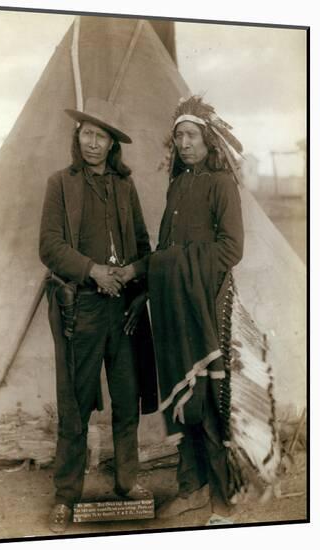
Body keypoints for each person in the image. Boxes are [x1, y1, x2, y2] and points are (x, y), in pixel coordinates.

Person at [39, 97, 157, 533]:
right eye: (86, 133)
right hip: (82, 310)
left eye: (101, 136)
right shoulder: (60, 184)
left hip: (122, 312)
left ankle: (127, 483)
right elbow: (50, 246)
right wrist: (93, 271)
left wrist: (129, 273)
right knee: (74, 406)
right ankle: (66, 496)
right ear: (78, 137)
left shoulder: (125, 187)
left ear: (111, 145)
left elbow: (144, 250)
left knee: (127, 402)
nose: (92, 142)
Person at [149, 96, 244, 519]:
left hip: (205, 301)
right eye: (179, 136)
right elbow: (163, 248)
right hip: (173, 303)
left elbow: (231, 248)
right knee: (181, 395)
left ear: (208, 139)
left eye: (192, 135)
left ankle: (223, 497)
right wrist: (161, 274)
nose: (185, 143)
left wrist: (179, 268)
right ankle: (192, 487)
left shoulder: (221, 183)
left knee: (207, 395)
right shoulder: (176, 184)